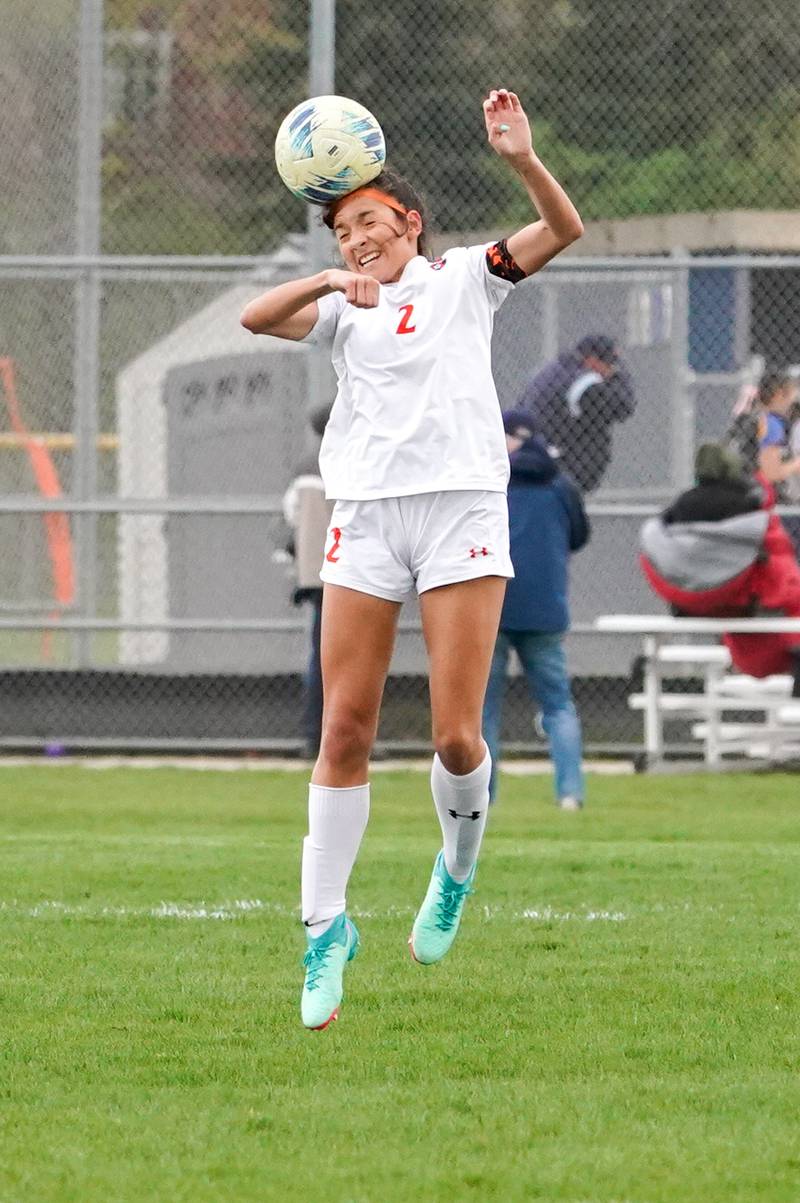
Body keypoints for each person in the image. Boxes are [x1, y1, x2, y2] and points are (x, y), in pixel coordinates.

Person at [240, 88, 583, 1030]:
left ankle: (455, 870)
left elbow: (564, 226)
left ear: (410, 221)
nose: (357, 239)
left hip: (462, 512)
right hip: (367, 521)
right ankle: (323, 930)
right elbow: (255, 320)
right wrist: (322, 285)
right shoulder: (343, 308)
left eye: (370, 222)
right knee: (343, 728)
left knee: (454, 737)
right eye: (342, 228)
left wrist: (520, 155)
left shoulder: (467, 276)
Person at [482, 410, 589, 810]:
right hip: (546, 609)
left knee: (483, 710)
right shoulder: (560, 485)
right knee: (558, 705)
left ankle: (483, 797)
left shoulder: (490, 481)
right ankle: (570, 794)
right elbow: (579, 535)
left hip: (493, 607)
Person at [640, 443, 800, 681]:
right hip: (741, 601)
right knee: (786, 596)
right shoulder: (750, 507)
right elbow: (782, 564)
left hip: (689, 604)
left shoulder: (678, 510)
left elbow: (651, 554)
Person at [517, 333, 635, 492]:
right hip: (560, 463)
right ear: (592, 360)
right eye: (609, 364)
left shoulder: (553, 370)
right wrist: (620, 376)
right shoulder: (583, 380)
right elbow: (623, 406)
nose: (610, 370)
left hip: (536, 456)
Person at [282, 403, 333, 760]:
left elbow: (291, 517)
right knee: (340, 659)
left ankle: (315, 735)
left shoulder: (307, 466)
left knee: (322, 656)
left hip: (317, 575)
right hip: (343, 573)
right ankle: (324, 735)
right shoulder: (345, 461)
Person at [726, 370, 800, 505]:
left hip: (737, 490)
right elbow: (771, 473)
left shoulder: (748, 419)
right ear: (778, 395)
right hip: (756, 496)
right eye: (790, 397)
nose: (792, 404)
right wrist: (796, 464)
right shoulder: (771, 424)